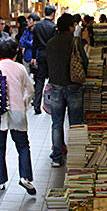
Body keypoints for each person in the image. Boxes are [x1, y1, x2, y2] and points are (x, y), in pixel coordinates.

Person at [0, 36, 36, 194]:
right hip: (17, 112)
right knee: (23, 145)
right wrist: (25, 102)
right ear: (15, 52)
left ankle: (0, 181)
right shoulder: (20, 68)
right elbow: (30, 90)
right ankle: (25, 176)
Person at [46, 13, 88, 167]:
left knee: (56, 123)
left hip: (56, 85)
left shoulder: (51, 42)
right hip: (73, 85)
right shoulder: (74, 42)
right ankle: (75, 156)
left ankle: (57, 157)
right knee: (75, 122)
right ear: (70, 27)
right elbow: (84, 60)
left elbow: (47, 61)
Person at [31, 5, 56, 114]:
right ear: (53, 14)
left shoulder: (38, 26)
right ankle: (51, 105)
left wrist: (33, 56)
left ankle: (37, 105)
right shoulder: (53, 27)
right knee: (52, 80)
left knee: (39, 80)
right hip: (51, 55)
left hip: (40, 54)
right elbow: (55, 44)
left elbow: (34, 43)